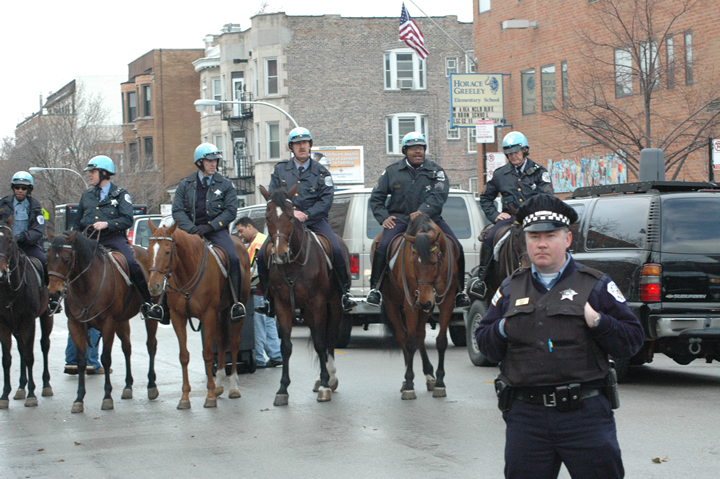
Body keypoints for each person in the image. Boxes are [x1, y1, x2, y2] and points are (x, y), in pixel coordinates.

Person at [475, 194, 644, 479]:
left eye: (550, 235)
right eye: (534, 236)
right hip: (526, 418)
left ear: (567, 239)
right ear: (525, 241)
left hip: (585, 415)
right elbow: (485, 347)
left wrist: (599, 321)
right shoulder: (509, 288)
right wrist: (503, 328)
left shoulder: (596, 284)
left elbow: (631, 341)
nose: (541, 244)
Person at [255, 127, 356, 316]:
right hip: (286, 224)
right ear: (291, 147)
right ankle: (268, 298)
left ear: (310, 146)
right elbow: (273, 197)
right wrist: (292, 212)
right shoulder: (280, 170)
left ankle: (344, 293)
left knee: (336, 249)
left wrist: (307, 214)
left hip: (315, 221)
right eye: (297, 144)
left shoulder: (322, 172)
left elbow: (326, 200)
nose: (302, 147)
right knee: (262, 255)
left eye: (305, 143)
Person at [366, 131, 470, 308]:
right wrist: (383, 217)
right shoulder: (392, 172)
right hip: (400, 219)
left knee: (457, 246)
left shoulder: (436, 171)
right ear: (405, 151)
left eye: (421, 148)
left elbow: (439, 195)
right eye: (413, 148)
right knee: (382, 246)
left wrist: (422, 211)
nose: (418, 152)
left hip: (431, 219)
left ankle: (460, 291)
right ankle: (375, 289)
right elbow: (376, 197)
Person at [170, 143, 245, 323]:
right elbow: (178, 210)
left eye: (215, 161)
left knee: (234, 259)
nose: (214, 164)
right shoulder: (185, 184)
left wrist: (210, 227)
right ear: (199, 162)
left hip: (216, 231)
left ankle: (236, 303)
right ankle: (164, 305)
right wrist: (191, 229)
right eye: (209, 161)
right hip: (190, 232)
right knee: (168, 258)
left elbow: (230, 211)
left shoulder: (226, 184)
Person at [73, 155, 154, 321]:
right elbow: (77, 224)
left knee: (132, 264)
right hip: (90, 240)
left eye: (93, 172)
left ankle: (148, 303)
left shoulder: (120, 195)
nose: (89, 175)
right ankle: (62, 300)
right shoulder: (86, 195)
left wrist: (107, 224)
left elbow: (127, 219)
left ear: (104, 173)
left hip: (113, 239)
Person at [473, 131, 554, 295]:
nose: (513, 156)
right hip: (510, 219)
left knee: (555, 237)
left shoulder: (539, 172)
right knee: (490, 237)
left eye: (516, 152)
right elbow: (486, 198)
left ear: (524, 150)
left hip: (534, 220)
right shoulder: (500, 174)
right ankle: (482, 278)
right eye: (509, 153)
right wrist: (495, 215)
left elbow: (547, 196)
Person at [0, 171, 62, 312]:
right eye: (17, 187)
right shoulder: (3, 204)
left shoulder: (35, 206)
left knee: (44, 262)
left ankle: (53, 297)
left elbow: (38, 230)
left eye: (24, 188)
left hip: (27, 246)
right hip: (5, 246)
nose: (20, 190)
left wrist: (22, 237)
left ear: (29, 190)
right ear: (13, 188)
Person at [236, 217, 283, 368]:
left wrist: (246, 286)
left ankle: (259, 359)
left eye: (241, 231)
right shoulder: (264, 239)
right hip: (269, 291)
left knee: (258, 326)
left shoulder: (256, 244)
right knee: (269, 324)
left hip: (258, 292)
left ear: (249, 226)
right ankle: (276, 355)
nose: (240, 235)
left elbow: (253, 272)